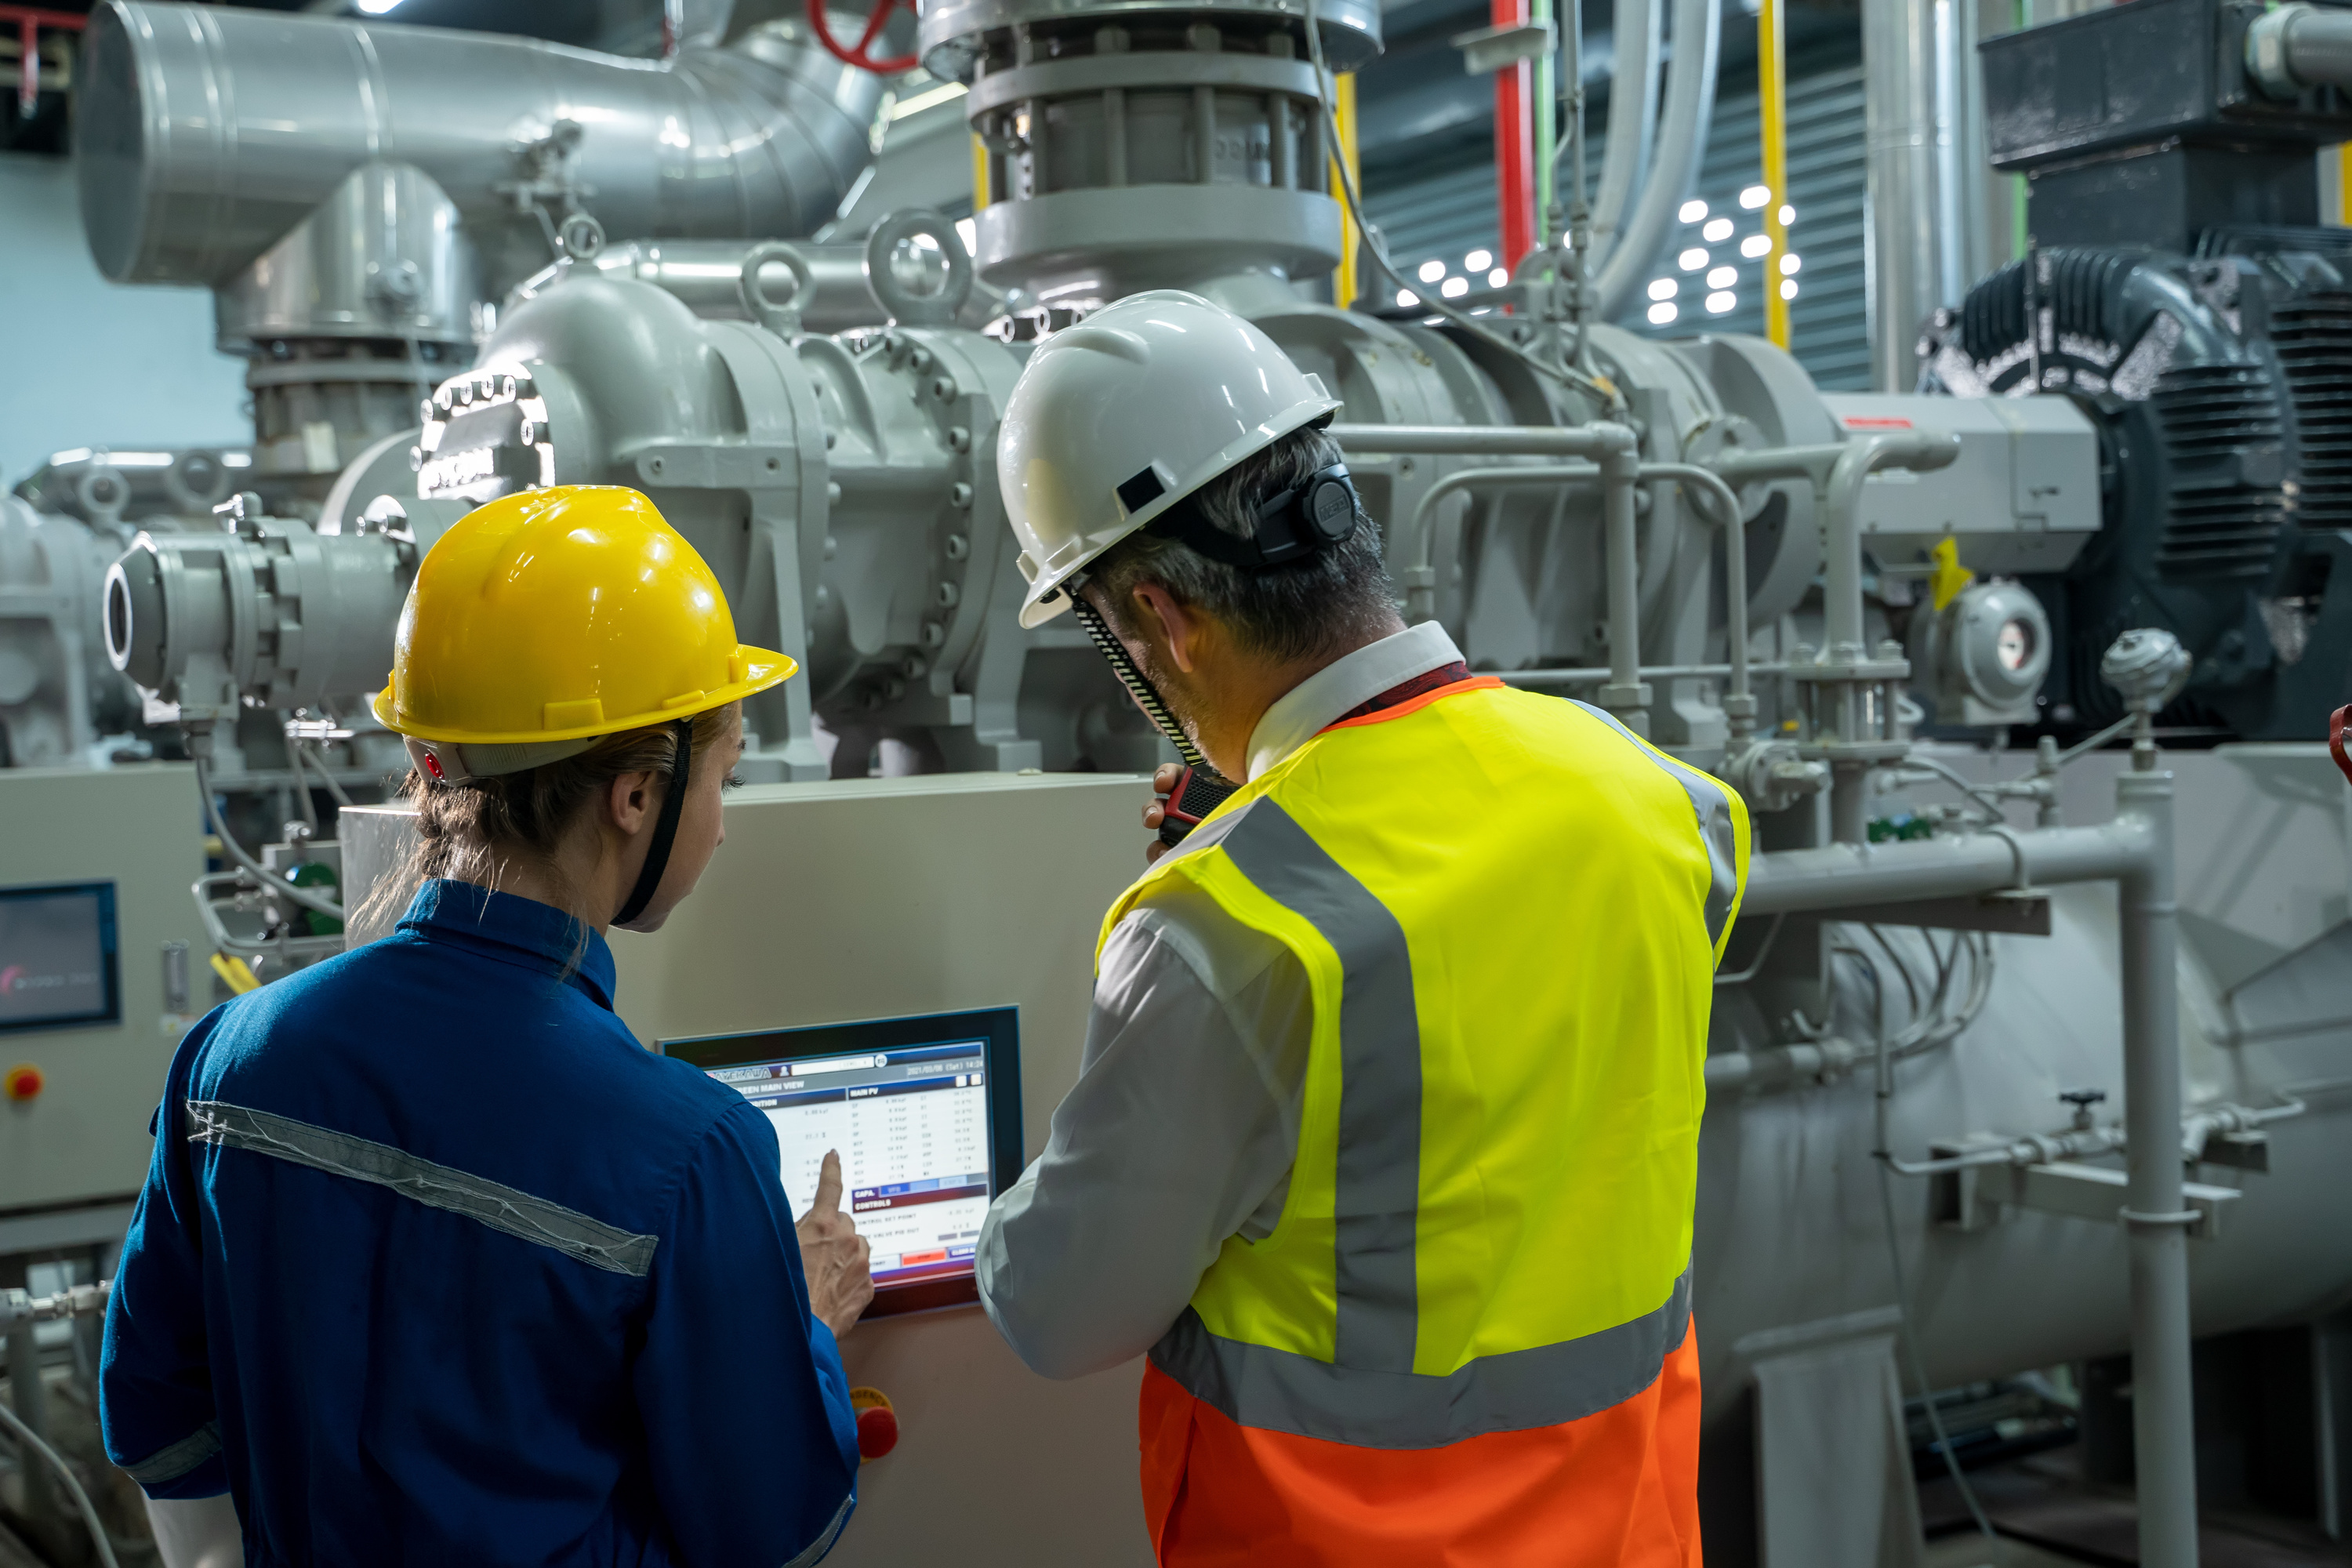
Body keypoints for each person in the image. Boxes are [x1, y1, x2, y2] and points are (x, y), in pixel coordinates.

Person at [974, 292, 1749, 1566]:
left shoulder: (1225, 925)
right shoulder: (1661, 800)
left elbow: (1059, 1314)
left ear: (1160, 616)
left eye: (1110, 636)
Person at [100, 485, 873, 1566]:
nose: (725, 827)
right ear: (636, 798)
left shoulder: (230, 1061)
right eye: (724, 775)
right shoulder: (691, 1152)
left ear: (434, 762)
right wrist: (808, 1333)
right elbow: (768, 1522)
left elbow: (157, 1417)